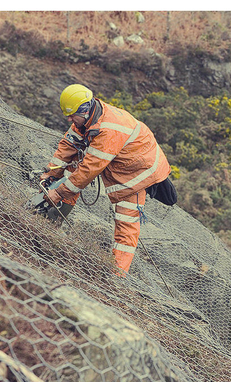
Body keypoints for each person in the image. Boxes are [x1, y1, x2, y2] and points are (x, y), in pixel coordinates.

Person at [40, 84, 173, 276]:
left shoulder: (109, 130)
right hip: (121, 162)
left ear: (85, 110)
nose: (69, 119)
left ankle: (117, 276)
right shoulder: (85, 119)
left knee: (126, 223)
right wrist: (50, 174)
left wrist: (58, 192)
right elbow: (68, 145)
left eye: (72, 115)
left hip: (138, 173)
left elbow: (88, 170)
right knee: (70, 171)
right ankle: (49, 220)